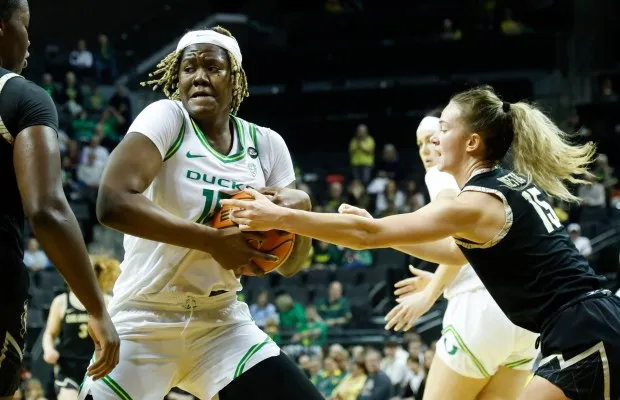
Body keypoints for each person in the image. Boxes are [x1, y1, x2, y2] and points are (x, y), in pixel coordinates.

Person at [223, 86, 620, 399]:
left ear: (471, 143)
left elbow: (366, 236)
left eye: (444, 129)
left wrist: (281, 217)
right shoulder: (502, 187)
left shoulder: (476, 201)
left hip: (582, 329)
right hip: (578, 326)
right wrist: (384, 232)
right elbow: (452, 251)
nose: (434, 140)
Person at [80, 27, 319, 400]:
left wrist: (300, 214)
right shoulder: (168, 117)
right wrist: (212, 241)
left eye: (213, 67)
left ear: (234, 78)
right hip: (145, 318)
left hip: (220, 322)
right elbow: (112, 202)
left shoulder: (267, 145)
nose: (200, 77)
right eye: (189, 68)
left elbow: (291, 265)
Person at [341, 116, 538, 399]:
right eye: (419, 142)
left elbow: (456, 246)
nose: (426, 148)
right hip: (524, 318)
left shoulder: (440, 175)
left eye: (434, 137)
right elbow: (475, 251)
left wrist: (429, 294)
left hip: (480, 311)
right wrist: (442, 281)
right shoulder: (494, 178)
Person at [0, 1, 119, 398]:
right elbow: (46, 210)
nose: (29, 38)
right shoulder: (22, 97)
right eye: (25, 24)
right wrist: (97, 309)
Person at [43, 255, 120, 400]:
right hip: (68, 368)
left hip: (98, 367)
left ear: (94, 273)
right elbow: (49, 334)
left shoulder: (107, 302)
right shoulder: (61, 301)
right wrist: (49, 349)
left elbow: (116, 335)